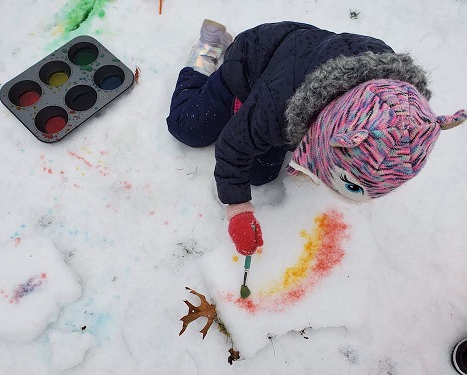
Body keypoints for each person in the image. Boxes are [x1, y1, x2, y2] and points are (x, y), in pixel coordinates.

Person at [166, 20, 466, 256]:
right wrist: (237, 209)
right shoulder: (275, 108)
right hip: (250, 65)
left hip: (301, 77)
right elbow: (233, 146)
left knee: (262, 174)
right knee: (188, 128)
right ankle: (204, 57)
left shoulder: (392, 95)